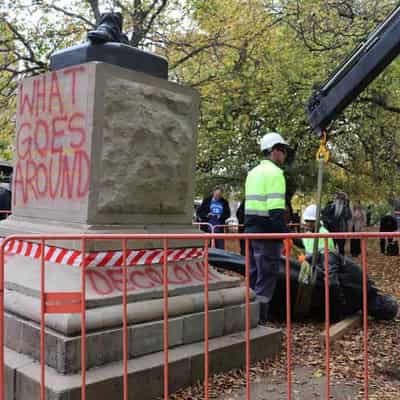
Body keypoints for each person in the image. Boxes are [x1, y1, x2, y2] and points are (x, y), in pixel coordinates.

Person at [244, 132, 289, 324]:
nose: (285, 154)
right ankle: (258, 322)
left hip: (252, 234)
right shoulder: (275, 174)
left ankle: (248, 318)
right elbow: (276, 212)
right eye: (283, 150)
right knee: (267, 277)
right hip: (268, 235)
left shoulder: (253, 173)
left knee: (254, 277)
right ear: (274, 151)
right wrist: (288, 236)